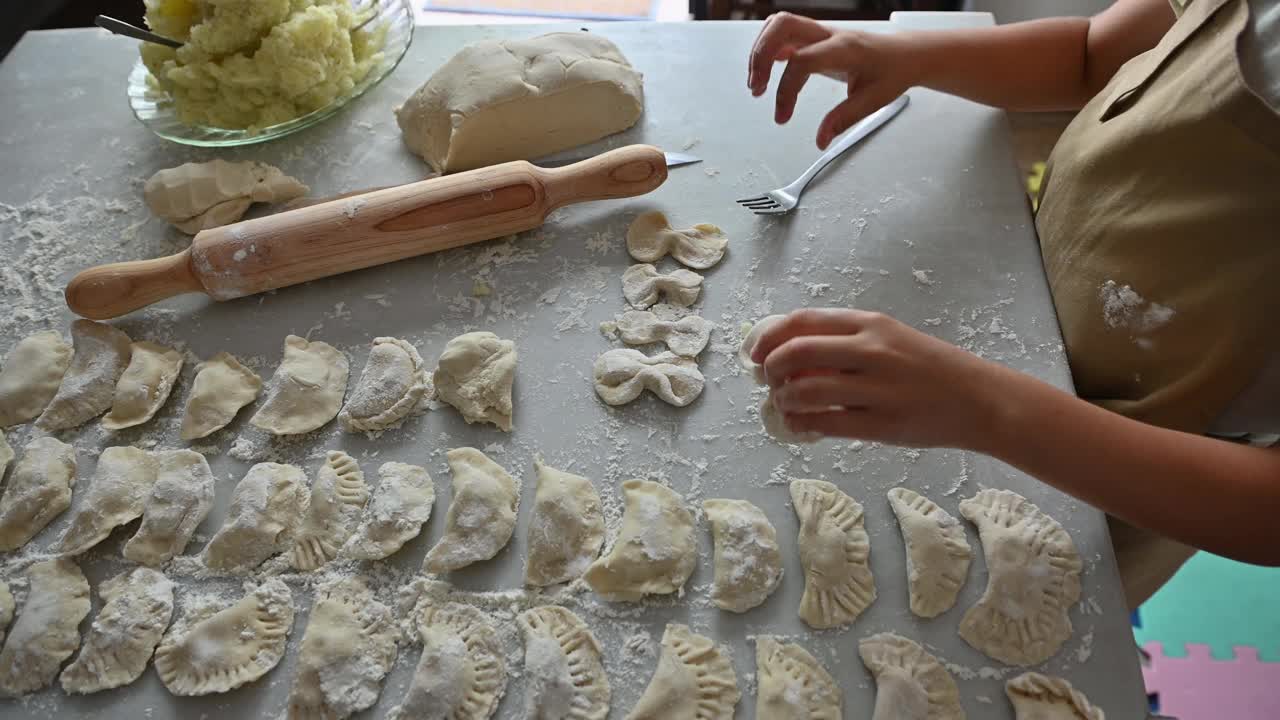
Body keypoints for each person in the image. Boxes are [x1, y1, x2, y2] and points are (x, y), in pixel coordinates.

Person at [746, 0, 1280, 608]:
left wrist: (984, 407)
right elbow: (1089, 55)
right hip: (1016, 314)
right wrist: (906, 55)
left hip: (1132, 470)